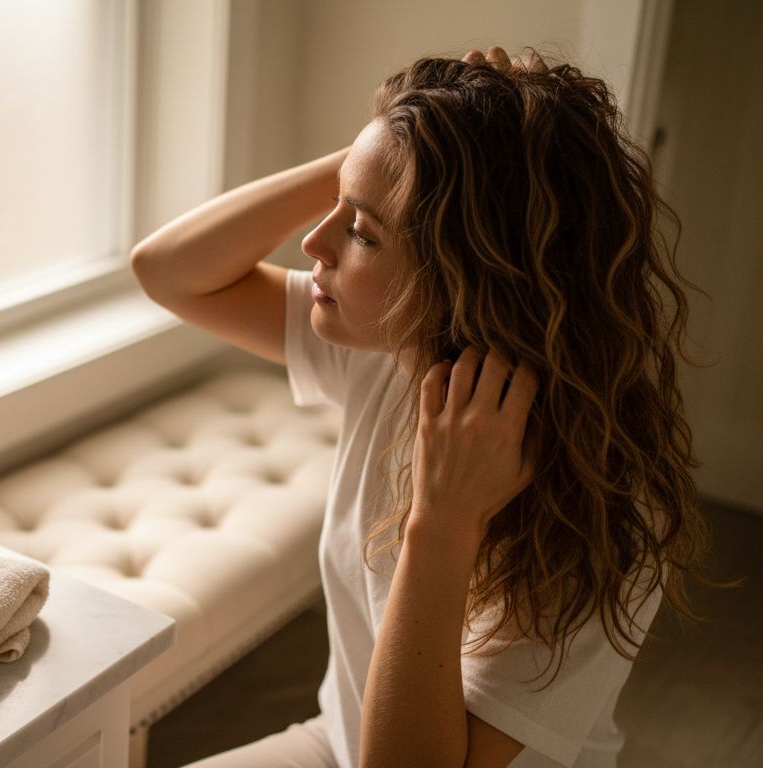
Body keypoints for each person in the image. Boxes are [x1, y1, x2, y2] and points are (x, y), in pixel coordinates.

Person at [131, 46, 703, 768]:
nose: (313, 243)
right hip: (338, 743)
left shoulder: (609, 506)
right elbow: (167, 270)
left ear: (468, 275)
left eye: (363, 233)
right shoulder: (391, 348)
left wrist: (443, 522)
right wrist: (401, 146)